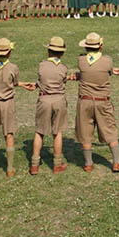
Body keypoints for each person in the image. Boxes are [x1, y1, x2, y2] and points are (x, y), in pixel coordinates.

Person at [0, 38, 35, 179]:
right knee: (9, 135)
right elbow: (13, 82)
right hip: (7, 103)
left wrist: (22, 84)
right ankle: (10, 169)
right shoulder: (13, 67)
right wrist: (21, 84)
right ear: (9, 52)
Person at [74, 32, 119, 172]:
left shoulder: (81, 60)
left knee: (85, 132)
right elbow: (107, 71)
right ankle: (116, 162)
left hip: (85, 101)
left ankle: (88, 164)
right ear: (100, 46)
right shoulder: (107, 61)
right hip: (102, 101)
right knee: (110, 131)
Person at [31, 37, 72, 175]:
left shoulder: (42, 65)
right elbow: (62, 80)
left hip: (44, 99)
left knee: (39, 132)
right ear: (62, 53)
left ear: (49, 51)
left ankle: (34, 164)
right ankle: (57, 164)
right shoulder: (63, 68)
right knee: (57, 132)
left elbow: (41, 80)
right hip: (59, 99)